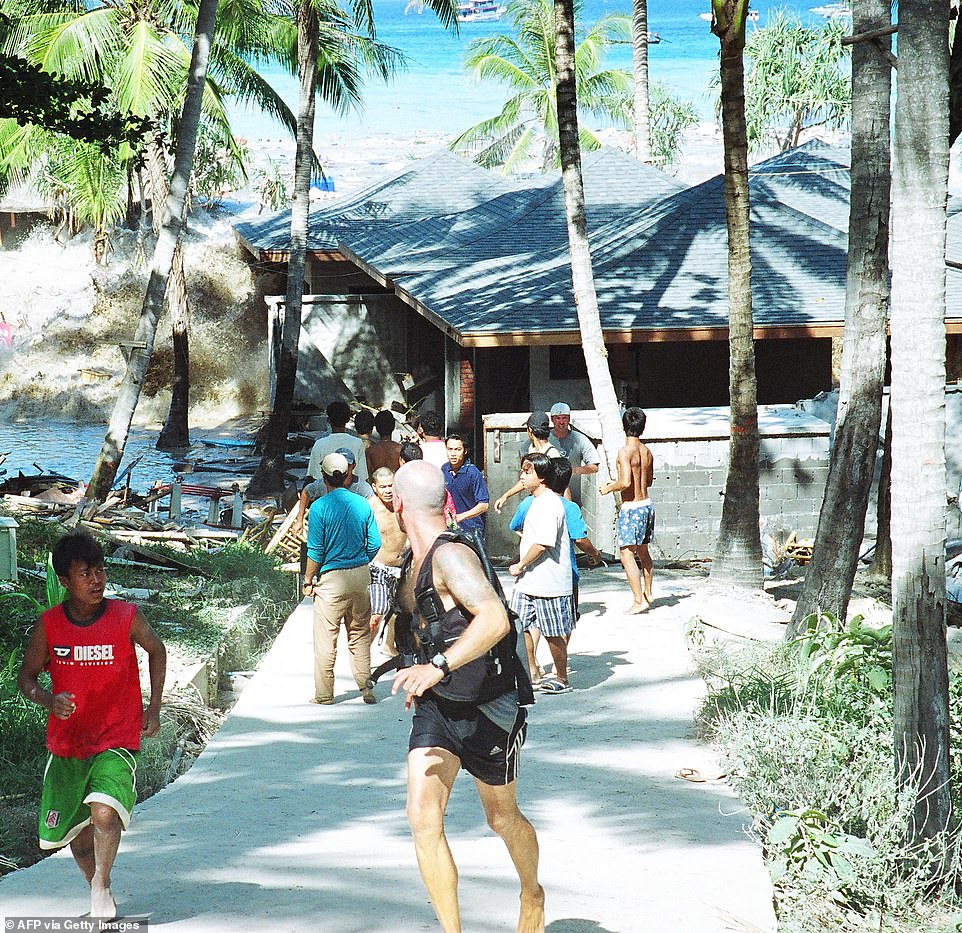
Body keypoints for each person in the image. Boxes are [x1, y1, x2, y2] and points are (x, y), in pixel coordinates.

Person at [390, 460, 544, 933]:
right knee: (423, 817)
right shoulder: (413, 558)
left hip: (490, 705)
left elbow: (495, 619)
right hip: (440, 704)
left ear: (398, 505)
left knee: (500, 817)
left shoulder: (450, 556)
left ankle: (532, 894)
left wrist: (436, 667)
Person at [17, 532, 167, 920]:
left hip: (116, 735)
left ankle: (101, 884)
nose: (97, 580)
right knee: (78, 839)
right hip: (68, 743)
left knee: (104, 812)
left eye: (100, 571)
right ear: (65, 581)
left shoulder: (126, 617)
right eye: (85, 573)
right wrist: (50, 700)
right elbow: (27, 679)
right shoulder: (49, 625)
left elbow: (157, 649)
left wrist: (154, 707)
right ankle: (96, 881)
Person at [304, 452, 381, 704]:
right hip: (360, 576)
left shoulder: (319, 507)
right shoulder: (362, 504)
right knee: (359, 635)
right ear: (348, 473)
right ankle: (366, 688)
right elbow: (375, 543)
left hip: (331, 580)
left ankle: (324, 695)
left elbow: (315, 551)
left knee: (326, 638)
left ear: (323, 475)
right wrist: (360, 560)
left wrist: (308, 580)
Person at [508, 452, 575, 694]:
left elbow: (543, 544)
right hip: (527, 582)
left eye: (527, 472)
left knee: (553, 633)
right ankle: (531, 671)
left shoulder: (550, 503)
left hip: (550, 582)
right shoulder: (534, 502)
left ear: (542, 477)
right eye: (522, 471)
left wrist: (520, 564)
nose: (522, 476)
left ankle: (561, 677)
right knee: (520, 626)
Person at [600, 406, 655, 614]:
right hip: (647, 505)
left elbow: (624, 482)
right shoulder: (647, 452)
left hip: (632, 508)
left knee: (626, 554)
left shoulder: (625, 452)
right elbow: (648, 481)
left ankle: (639, 600)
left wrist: (608, 487)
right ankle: (648, 593)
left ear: (624, 426)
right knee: (643, 551)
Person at [368, 467, 407, 655]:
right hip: (379, 567)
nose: (388, 490)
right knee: (379, 610)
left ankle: (389, 645)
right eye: (383, 486)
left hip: (402, 566)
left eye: (391, 485)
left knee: (398, 610)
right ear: (375, 487)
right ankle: (361, 651)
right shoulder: (370, 508)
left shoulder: (403, 503)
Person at [294, 447, 373, 537]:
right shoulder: (322, 485)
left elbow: (373, 507)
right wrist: (299, 520)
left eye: (347, 465)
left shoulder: (362, 488)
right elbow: (306, 492)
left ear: (354, 466)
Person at [494, 412, 561, 514]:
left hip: (548, 508)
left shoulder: (552, 454)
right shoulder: (531, 450)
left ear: (530, 430)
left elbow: (561, 487)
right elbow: (525, 480)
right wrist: (506, 495)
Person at [442, 433, 490, 549]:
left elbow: (484, 505)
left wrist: (461, 517)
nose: (453, 454)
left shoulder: (473, 473)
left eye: (458, 449)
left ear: (465, 451)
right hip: (450, 529)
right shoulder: (444, 469)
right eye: (450, 449)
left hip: (472, 531)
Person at [547, 402, 599, 502]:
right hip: (548, 500)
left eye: (564, 418)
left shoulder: (579, 439)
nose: (561, 422)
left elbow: (594, 467)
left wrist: (572, 471)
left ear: (569, 419)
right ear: (552, 419)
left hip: (573, 501)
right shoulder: (545, 439)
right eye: (558, 418)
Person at [307, 400, 368, 483]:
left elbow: (315, 476)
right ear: (348, 419)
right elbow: (362, 476)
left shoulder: (320, 444)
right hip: (351, 493)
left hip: (327, 492)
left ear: (328, 420)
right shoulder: (357, 443)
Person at [402, 441, 458, 529]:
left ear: (402, 461)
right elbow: (450, 513)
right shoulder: (434, 479)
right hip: (439, 531)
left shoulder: (402, 485)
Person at [366, 409, 403, 475]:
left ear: (376, 428)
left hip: (378, 484)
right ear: (393, 426)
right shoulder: (401, 449)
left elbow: (369, 474)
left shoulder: (370, 451)